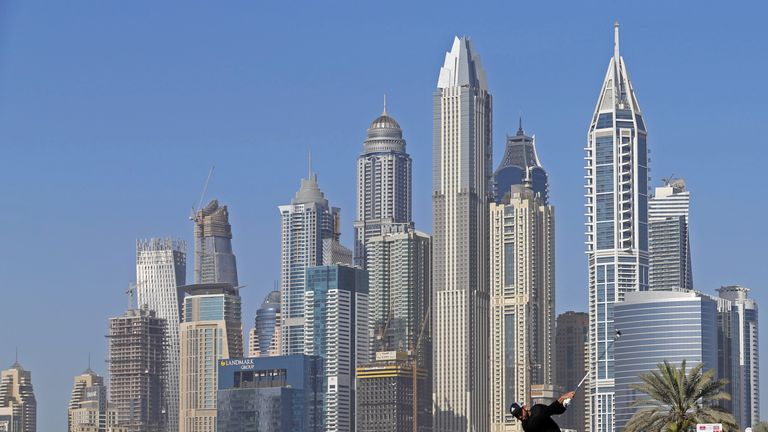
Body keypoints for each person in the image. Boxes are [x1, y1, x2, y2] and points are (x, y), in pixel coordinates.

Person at [510, 391, 576, 432]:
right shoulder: (529, 424)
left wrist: (564, 403)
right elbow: (553, 409)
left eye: (520, 413)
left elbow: (554, 410)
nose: (520, 416)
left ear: (525, 408)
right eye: (517, 416)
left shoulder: (536, 409)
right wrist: (563, 399)